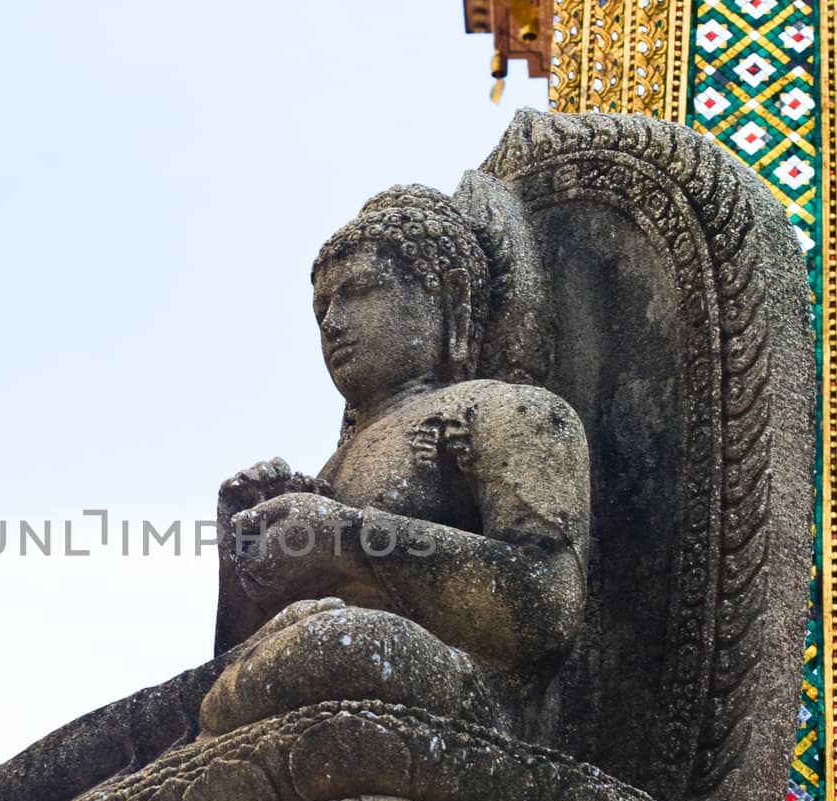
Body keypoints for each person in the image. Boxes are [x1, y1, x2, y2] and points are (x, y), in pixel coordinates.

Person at [204, 185, 590, 743]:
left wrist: (346, 536)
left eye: (359, 291)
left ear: (449, 298)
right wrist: (237, 555)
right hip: (307, 676)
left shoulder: (503, 412)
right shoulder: (330, 470)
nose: (333, 323)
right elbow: (237, 657)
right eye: (320, 309)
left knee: (342, 649)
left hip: (456, 693)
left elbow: (545, 601)